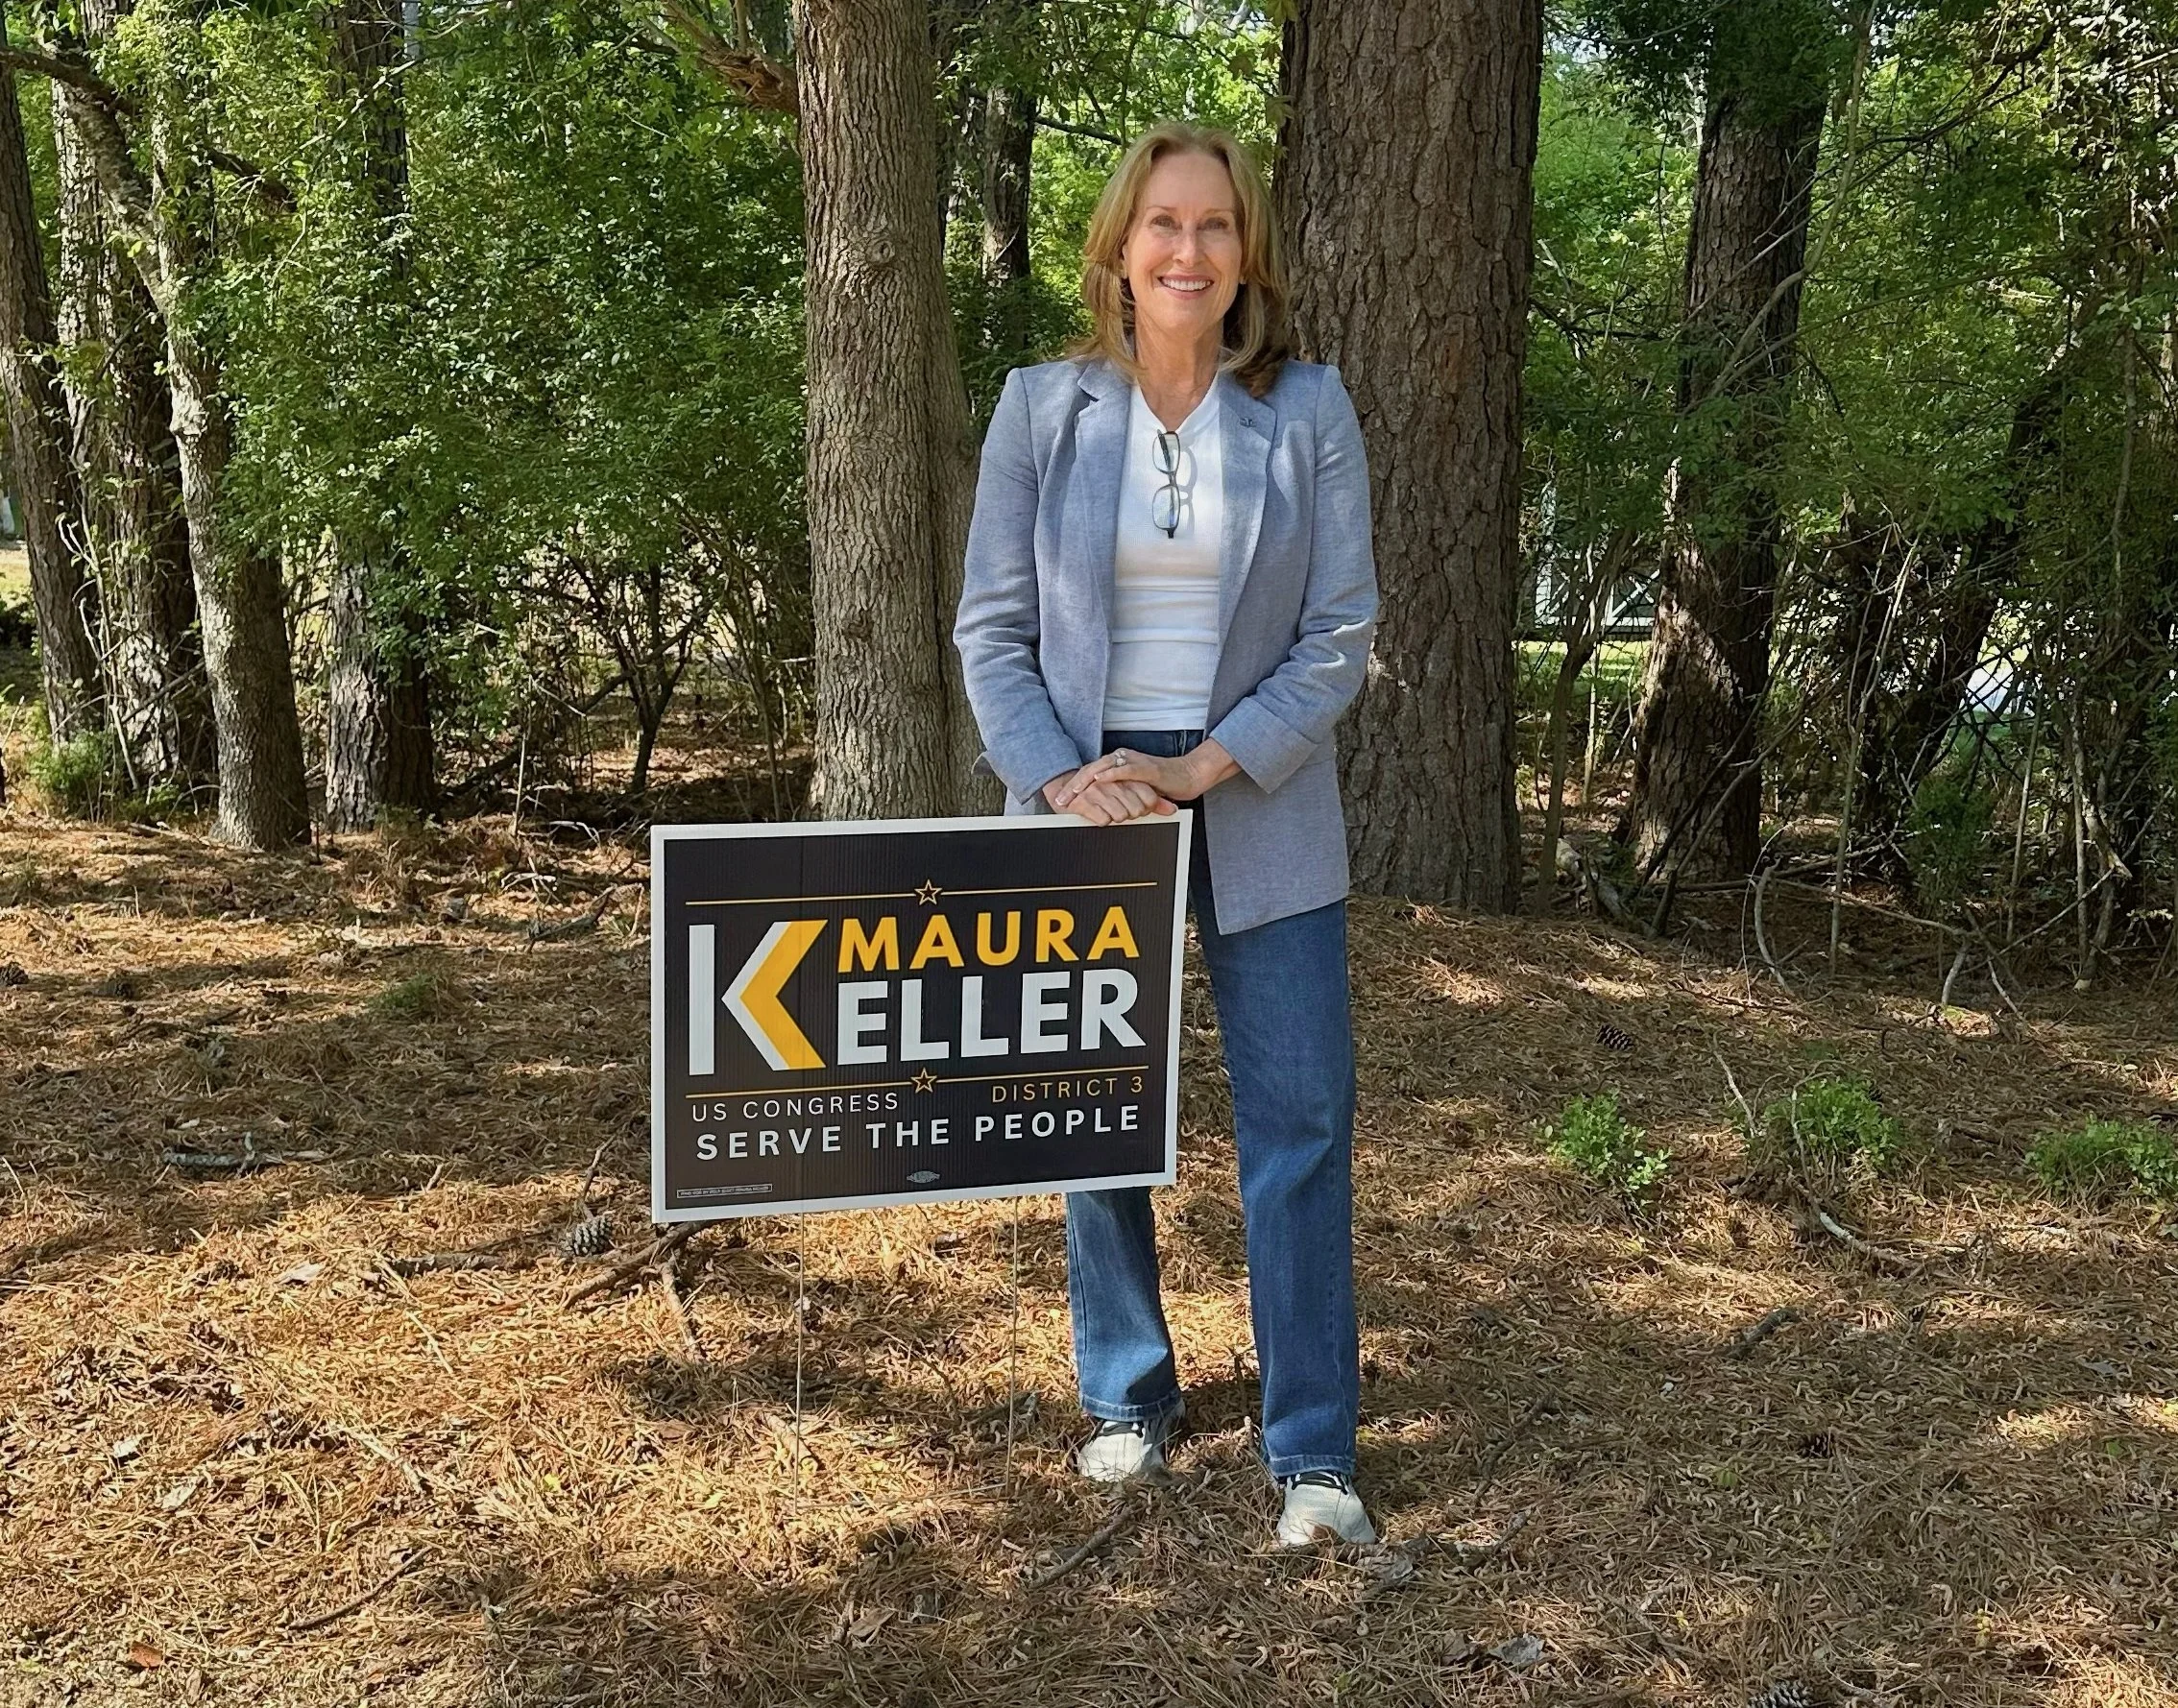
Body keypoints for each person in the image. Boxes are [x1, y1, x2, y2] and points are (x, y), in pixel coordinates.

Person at [954, 121, 1380, 1547]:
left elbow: (1338, 638)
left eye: (1214, 225)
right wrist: (1062, 779)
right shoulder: (1039, 409)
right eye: (1162, 225)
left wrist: (1210, 759)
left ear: (1245, 250)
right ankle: (1129, 1395)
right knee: (1093, 1116)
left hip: (1254, 799)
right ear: (1119, 250)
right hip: (1089, 807)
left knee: (1302, 1118)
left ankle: (1314, 1444)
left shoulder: (1308, 409)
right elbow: (992, 632)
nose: (1186, 250)